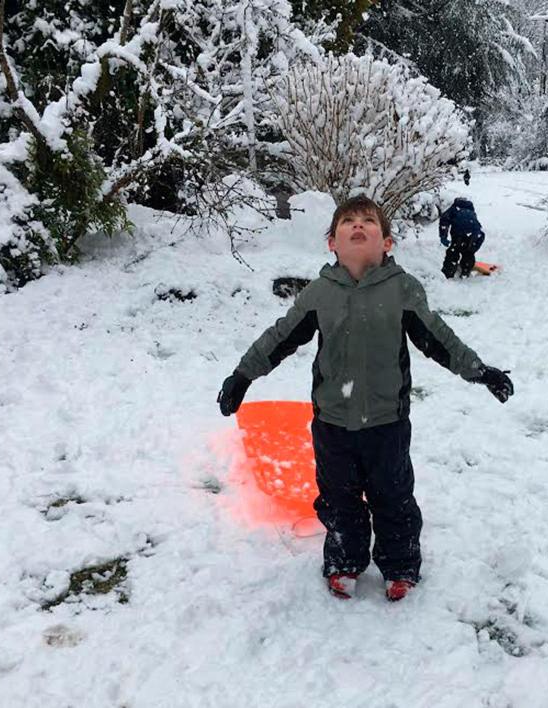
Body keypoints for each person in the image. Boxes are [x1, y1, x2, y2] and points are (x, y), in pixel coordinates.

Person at [217, 195, 513, 603]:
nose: (358, 225)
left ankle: (400, 563)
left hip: (387, 422)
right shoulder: (321, 292)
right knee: (339, 500)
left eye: (368, 221)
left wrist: (480, 371)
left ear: (386, 242)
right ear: (332, 242)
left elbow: (438, 339)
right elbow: (280, 336)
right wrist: (243, 375)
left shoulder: (402, 290)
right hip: (332, 423)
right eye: (348, 221)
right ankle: (344, 559)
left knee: (393, 497)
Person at [439, 197, 485, 279]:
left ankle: (448, 273)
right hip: (477, 234)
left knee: (453, 252)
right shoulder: (471, 211)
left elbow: (444, 221)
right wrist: (472, 248)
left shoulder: (453, 209)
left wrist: (443, 237)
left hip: (459, 233)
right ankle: (465, 271)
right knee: (468, 252)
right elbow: (476, 227)